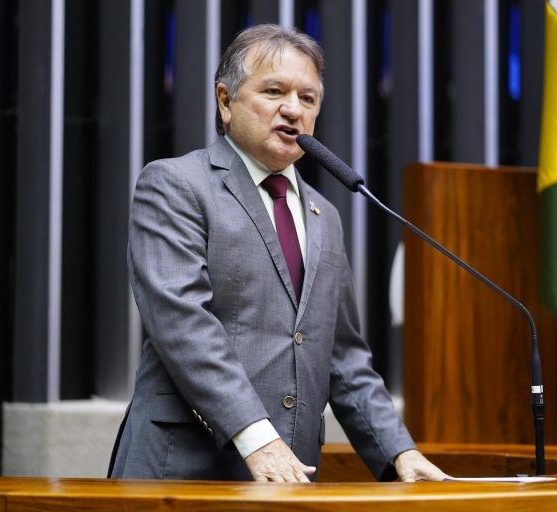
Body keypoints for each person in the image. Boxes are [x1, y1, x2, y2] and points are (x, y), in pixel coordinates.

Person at [109, 23, 447, 483]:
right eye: (273, 92)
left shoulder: (324, 214)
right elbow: (182, 321)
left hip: (291, 474)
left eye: (308, 98)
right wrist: (255, 435)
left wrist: (399, 452)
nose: (293, 109)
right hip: (181, 466)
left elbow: (343, 355)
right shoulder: (176, 184)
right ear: (225, 101)